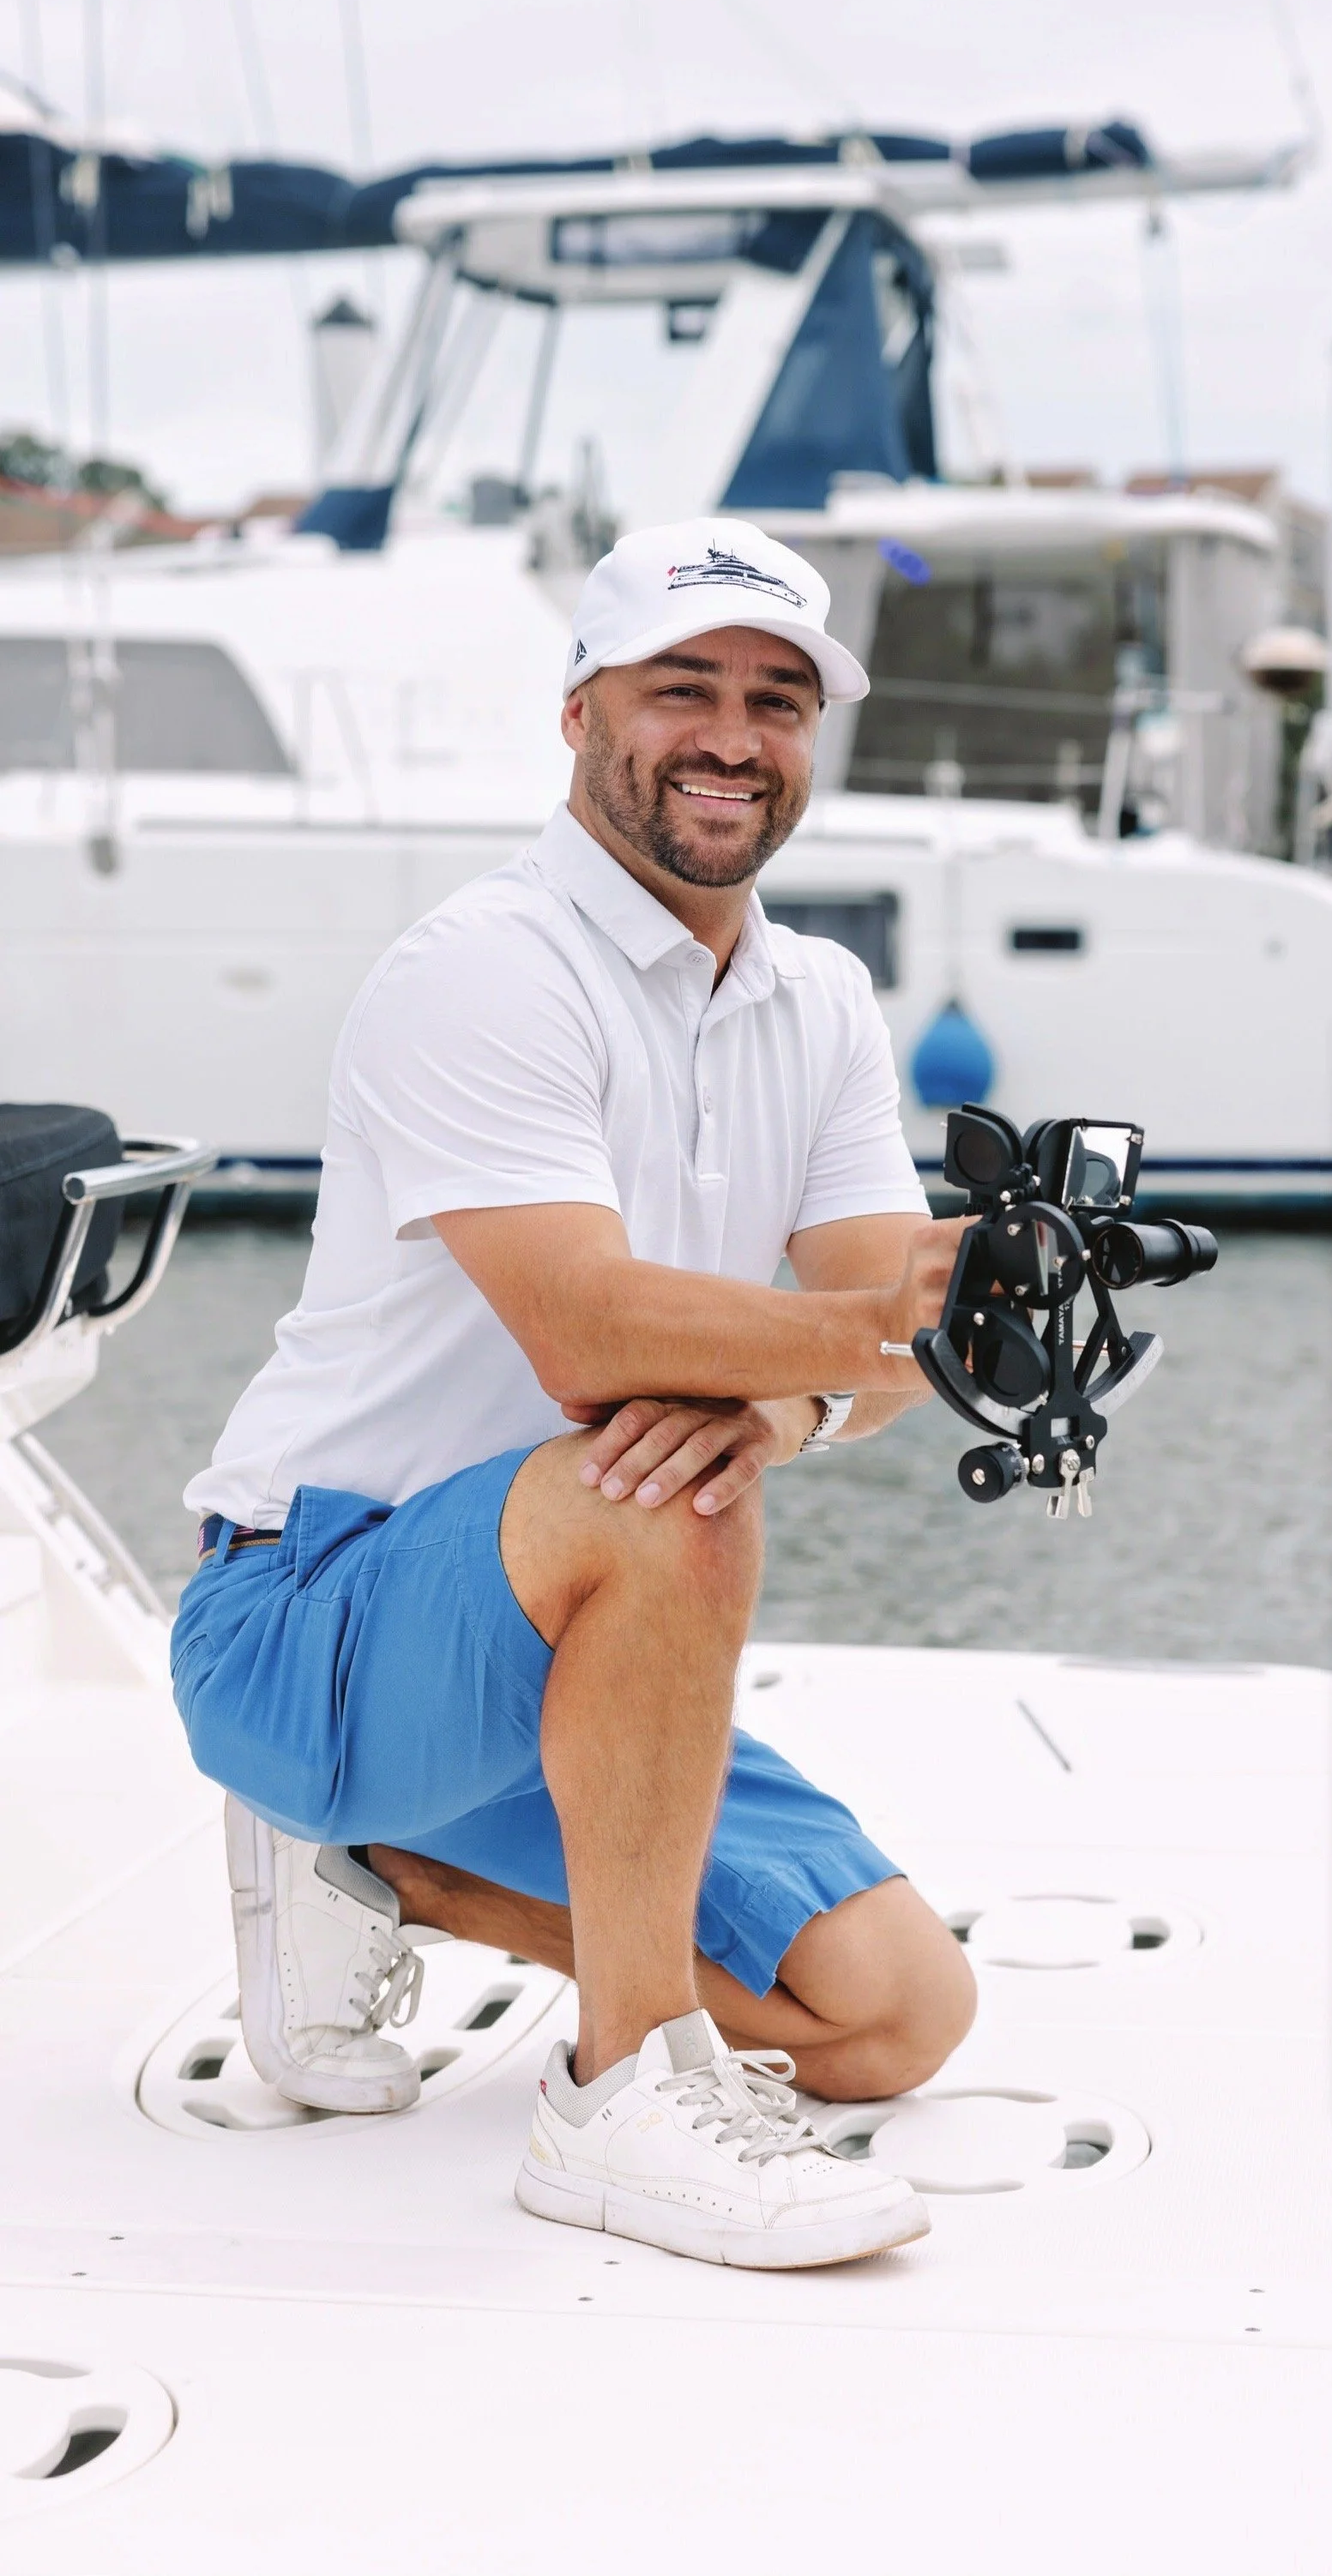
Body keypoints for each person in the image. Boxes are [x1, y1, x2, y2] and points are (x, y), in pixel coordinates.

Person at [172, 515, 976, 2272]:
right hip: (311, 1609)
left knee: (896, 2016)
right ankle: (618, 2102)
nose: (728, 735)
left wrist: (789, 1400)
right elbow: (593, 1336)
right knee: (659, 1485)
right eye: (679, 687)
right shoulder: (483, 966)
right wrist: (895, 1330)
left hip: (571, 1643)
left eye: (775, 699)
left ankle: (374, 1866)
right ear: (576, 712)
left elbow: (864, 1342)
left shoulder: (819, 996)